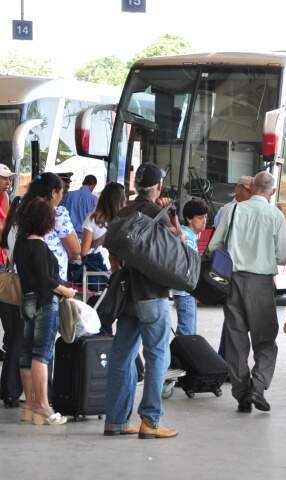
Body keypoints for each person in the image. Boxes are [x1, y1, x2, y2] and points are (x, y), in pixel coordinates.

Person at [103, 163, 179, 439]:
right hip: (152, 294)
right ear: (158, 187)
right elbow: (175, 249)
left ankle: (116, 420)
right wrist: (172, 215)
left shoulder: (124, 211)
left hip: (127, 295)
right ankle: (151, 420)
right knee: (157, 354)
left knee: (121, 356)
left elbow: (112, 251)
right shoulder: (159, 214)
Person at [209, 171, 286, 413]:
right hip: (262, 283)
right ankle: (258, 386)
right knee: (265, 340)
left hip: (233, 281)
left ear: (252, 186)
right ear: (272, 192)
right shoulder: (276, 216)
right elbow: (284, 255)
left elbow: (214, 245)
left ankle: (242, 394)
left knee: (236, 341)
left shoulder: (233, 210)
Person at [15, 198, 76, 425]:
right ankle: (42, 405)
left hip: (27, 300)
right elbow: (46, 279)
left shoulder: (21, 244)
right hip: (45, 301)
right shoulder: (39, 245)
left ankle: (29, 404)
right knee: (42, 353)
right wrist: (66, 291)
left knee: (27, 352)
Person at [213, 175, 253, 360]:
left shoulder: (246, 209)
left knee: (235, 317)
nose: (252, 193)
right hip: (233, 271)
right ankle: (227, 360)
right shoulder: (227, 210)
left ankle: (228, 359)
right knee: (234, 316)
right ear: (239, 189)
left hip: (240, 271)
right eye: (249, 189)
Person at [19, 173, 81, 283]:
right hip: (51, 281)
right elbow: (75, 250)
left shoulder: (20, 209)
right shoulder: (57, 213)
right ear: (53, 193)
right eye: (61, 192)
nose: (62, 196)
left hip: (23, 277)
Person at [172, 198, 208, 336]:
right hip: (185, 292)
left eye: (205, 217)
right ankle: (181, 356)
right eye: (200, 217)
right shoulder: (186, 236)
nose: (204, 220)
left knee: (188, 330)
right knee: (187, 332)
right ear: (189, 218)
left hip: (187, 291)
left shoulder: (190, 235)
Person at [0, 196, 22, 408]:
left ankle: (8, 388)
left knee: (13, 337)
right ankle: (11, 389)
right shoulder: (22, 231)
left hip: (7, 290)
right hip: (20, 289)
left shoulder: (9, 230)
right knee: (18, 338)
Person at [80, 182, 126, 275]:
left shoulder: (92, 219)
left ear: (103, 198)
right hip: (120, 272)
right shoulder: (127, 220)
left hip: (98, 272)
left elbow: (84, 252)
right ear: (122, 200)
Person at [61, 174, 98, 238]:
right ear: (93, 185)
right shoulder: (94, 199)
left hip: (68, 233)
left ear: (83, 183)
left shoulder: (68, 195)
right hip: (85, 235)